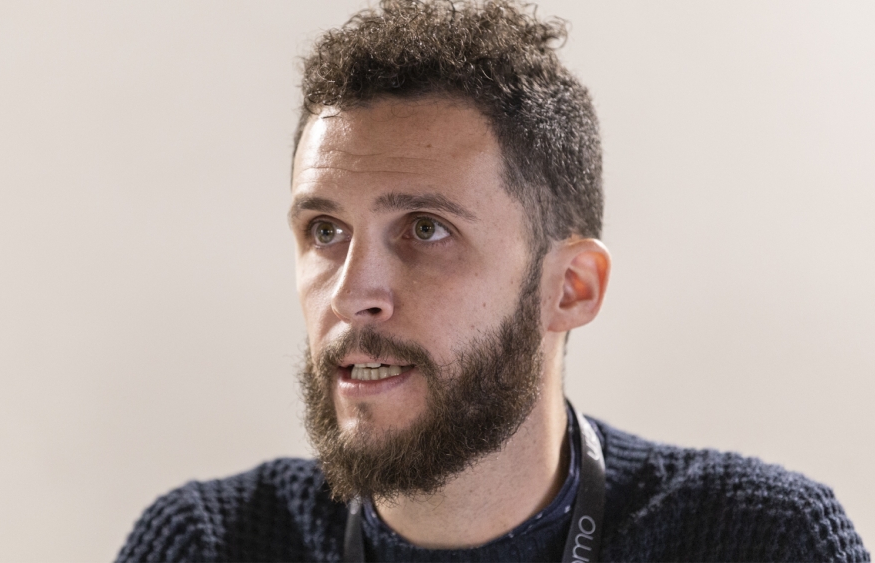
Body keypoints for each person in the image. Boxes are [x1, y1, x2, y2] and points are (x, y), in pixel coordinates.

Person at [118, 1, 868, 561]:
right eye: (325, 231)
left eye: (425, 229)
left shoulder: (763, 539)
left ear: (571, 287)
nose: (351, 294)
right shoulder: (207, 544)